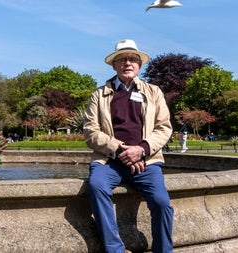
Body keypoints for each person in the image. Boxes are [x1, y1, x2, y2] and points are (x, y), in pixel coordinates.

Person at [83, 39, 174, 253]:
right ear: (114, 65)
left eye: (133, 59)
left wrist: (141, 150)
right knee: (96, 186)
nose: (127, 63)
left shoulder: (153, 92)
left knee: (162, 203)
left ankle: (164, 250)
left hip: (146, 160)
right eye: (122, 59)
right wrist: (121, 150)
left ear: (139, 65)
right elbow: (90, 131)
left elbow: (164, 127)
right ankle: (114, 249)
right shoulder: (99, 95)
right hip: (109, 160)